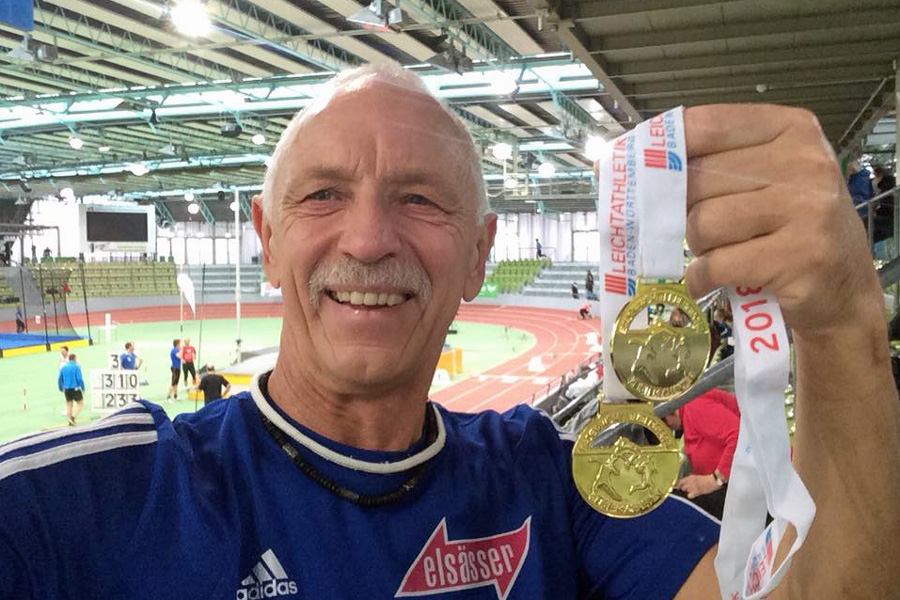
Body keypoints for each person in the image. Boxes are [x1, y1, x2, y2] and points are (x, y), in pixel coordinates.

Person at [0, 66, 896, 600]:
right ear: (267, 242)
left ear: (478, 255)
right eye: (323, 194)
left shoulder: (560, 486)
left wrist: (843, 326)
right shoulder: (89, 501)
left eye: (420, 199)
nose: (368, 239)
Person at [664, 388, 740, 520]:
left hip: (738, 485)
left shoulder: (694, 406)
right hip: (730, 485)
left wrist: (715, 480)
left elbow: (738, 435)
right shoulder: (688, 416)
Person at [57, 353, 84, 427]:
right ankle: (72, 417)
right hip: (75, 388)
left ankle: (69, 420)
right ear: (75, 359)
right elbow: (79, 379)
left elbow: (60, 379)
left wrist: (61, 387)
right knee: (80, 404)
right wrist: (82, 387)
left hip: (66, 389)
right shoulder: (76, 367)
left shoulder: (63, 368)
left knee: (69, 405)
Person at [166, 338, 180, 403]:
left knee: (176, 383)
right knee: (173, 383)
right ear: (177, 344)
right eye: (180, 343)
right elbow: (179, 356)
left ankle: (175, 396)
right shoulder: (174, 350)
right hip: (174, 368)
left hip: (178, 368)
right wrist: (182, 351)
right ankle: (168, 397)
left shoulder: (178, 350)